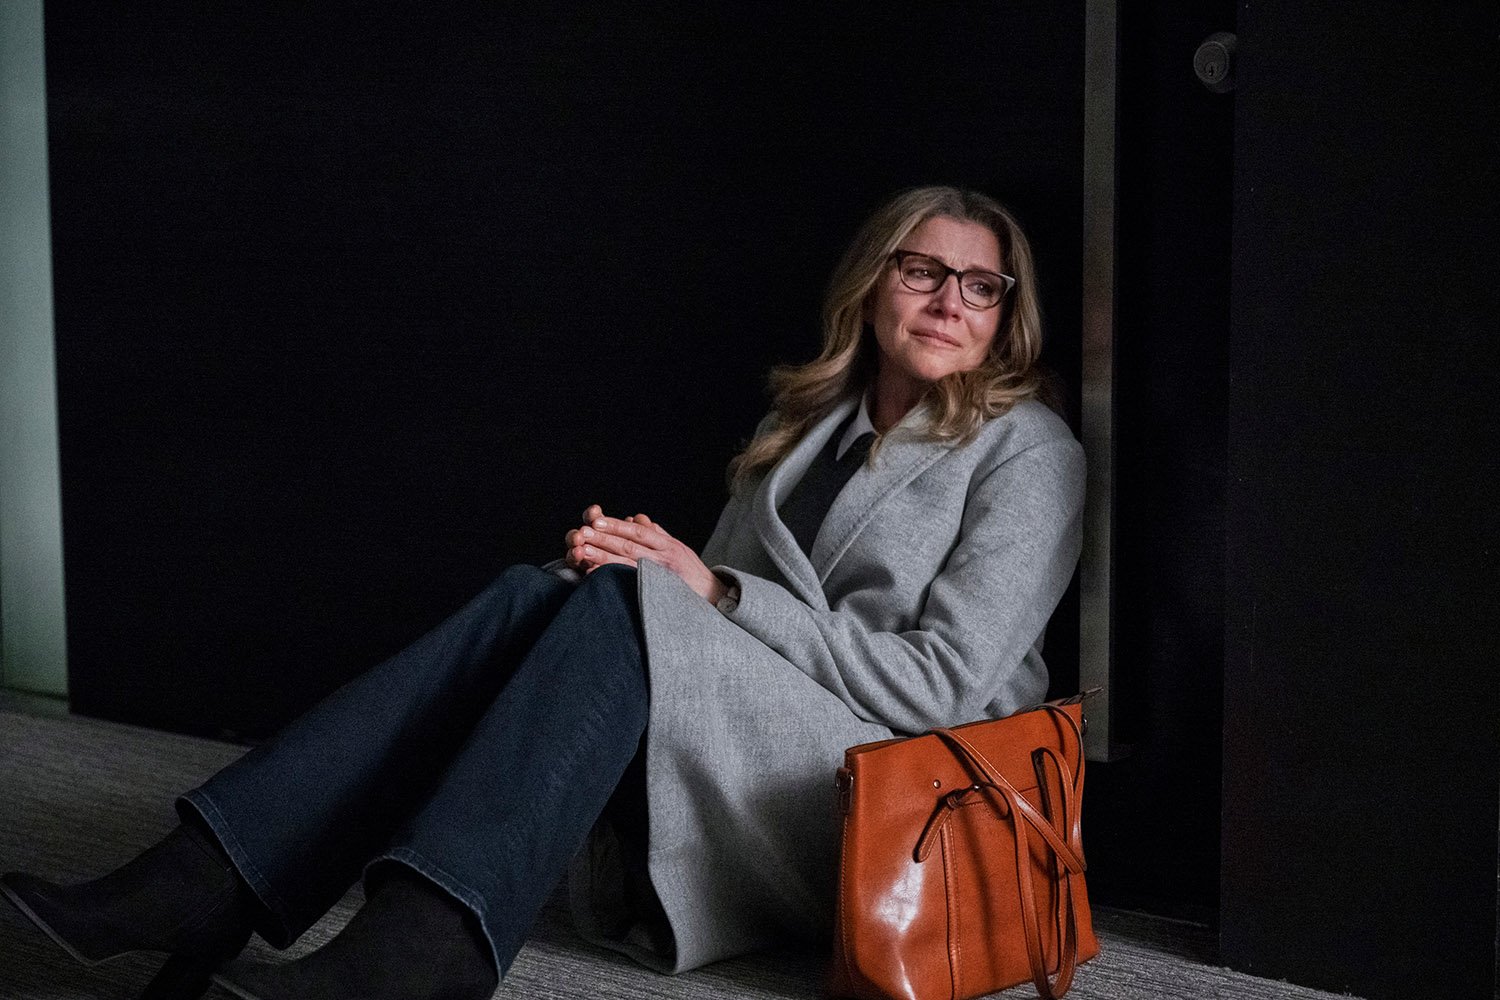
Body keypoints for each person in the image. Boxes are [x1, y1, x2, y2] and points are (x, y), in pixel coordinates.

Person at [0, 185, 1084, 1000]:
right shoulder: (796, 430)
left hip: (890, 813)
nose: (949, 300)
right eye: (921, 270)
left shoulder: (1026, 452)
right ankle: (224, 880)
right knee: (552, 589)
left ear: (1006, 315)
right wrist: (624, 571)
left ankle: (349, 921)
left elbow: (944, 688)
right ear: (871, 282)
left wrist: (709, 592)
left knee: (624, 601)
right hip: (749, 756)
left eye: (981, 285)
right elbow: (697, 632)